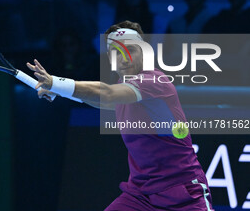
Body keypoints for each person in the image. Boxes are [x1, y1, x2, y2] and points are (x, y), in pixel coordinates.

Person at [26, 20, 214, 210]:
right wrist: (62, 91)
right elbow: (101, 101)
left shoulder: (154, 81)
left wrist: (56, 82)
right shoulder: (125, 85)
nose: (124, 58)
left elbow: (107, 94)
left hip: (181, 194)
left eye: (130, 50)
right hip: (141, 194)